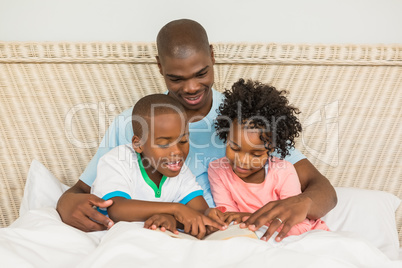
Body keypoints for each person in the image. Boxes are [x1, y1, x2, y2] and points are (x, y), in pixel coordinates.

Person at [56, 19, 337, 242]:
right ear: (159, 67)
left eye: (201, 73)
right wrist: (66, 202)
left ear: (213, 56)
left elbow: (323, 189)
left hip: (222, 233)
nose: (190, 88)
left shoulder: (242, 119)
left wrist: (302, 202)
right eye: (176, 78)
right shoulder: (134, 122)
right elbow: (82, 190)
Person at [206, 79, 330, 241]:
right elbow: (228, 218)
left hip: (303, 236)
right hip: (255, 237)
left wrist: (246, 218)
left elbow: (298, 226)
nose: (242, 160)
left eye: (255, 154)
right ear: (226, 136)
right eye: (234, 148)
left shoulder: (283, 171)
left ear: (271, 149)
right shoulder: (218, 170)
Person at [91, 94, 225, 239]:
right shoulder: (117, 160)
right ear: (138, 144)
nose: (177, 152)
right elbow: (117, 209)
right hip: (115, 239)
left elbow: (199, 211)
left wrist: (206, 215)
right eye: (164, 143)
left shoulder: (180, 171)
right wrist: (175, 209)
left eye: (183, 140)